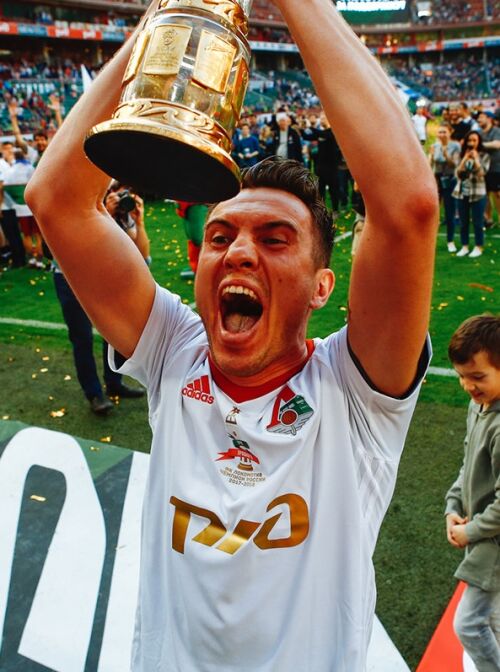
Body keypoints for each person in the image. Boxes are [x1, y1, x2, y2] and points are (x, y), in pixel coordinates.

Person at [26, 0, 438, 668]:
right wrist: (168, 18)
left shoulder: (355, 393)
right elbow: (57, 200)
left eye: (275, 240)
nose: (239, 252)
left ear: (322, 288)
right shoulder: (175, 352)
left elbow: (406, 206)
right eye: (220, 237)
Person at [52, 183, 147, 415]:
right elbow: (76, 247)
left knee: (113, 332)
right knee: (82, 336)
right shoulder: (70, 205)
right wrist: (104, 215)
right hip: (70, 278)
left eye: (119, 191)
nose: (115, 195)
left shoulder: (120, 213)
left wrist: (137, 220)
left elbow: (140, 252)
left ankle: (114, 382)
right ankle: (94, 393)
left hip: (104, 276)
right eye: (111, 190)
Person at [445, 314, 500, 672]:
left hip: (493, 544)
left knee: (469, 623)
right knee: (492, 617)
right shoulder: (478, 405)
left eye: (478, 377)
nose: (468, 385)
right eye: (462, 376)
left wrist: (471, 531)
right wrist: (452, 506)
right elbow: (468, 462)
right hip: (482, 534)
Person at [453, 130, 490, 258]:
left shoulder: (484, 155)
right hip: (462, 192)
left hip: (478, 192)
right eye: (469, 140)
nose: (472, 143)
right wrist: (464, 159)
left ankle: (478, 246)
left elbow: (482, 173)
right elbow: (457, 173)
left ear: (479, 142)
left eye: (474, 140)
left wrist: (476, 159)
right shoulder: (460, 154)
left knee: (478, 222)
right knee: (463, 222)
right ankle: (464, 246)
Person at [429, 122, 461, 252]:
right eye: (440, 132)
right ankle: (430, 241)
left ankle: (450, 241)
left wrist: (446, 154)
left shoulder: (455, 146)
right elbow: (430, 164)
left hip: (450, 179)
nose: (442, 134)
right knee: (433, 211)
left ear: (450, 132)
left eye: (444, 132)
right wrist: (431, 156)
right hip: (437, 179)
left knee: (450, 211)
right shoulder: (434, 145)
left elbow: (455, 164)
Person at [477, 110, 500, 229]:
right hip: (482, 168)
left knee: (497, 194)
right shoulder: (479, 133)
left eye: (482, 117)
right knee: (484, 194)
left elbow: (497, 144)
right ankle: (488, 218)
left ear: (489, 119)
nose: (479, 119)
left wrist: (481, 145)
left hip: (496, 167)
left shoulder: (496, 131)